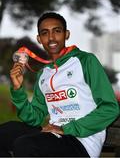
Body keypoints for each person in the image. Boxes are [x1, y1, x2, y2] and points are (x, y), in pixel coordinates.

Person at [0, 12, 119, 157]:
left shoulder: (85, 61)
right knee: (5, 132)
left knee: (25, 145)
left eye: (57, 31)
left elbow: (110, 108)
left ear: (66, 34)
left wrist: (65, 128)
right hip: (53, 133)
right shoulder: (43, 74)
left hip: (82, 141)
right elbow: (35, 118)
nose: (51, 38)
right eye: (45, 33)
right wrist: (18, 89)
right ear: (39, 39)